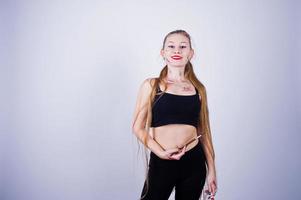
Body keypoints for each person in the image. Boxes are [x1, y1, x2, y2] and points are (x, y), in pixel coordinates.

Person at [132, 29, 217, 200]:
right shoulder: (151, 85)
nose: (177, 51)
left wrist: (212, 171)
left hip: (194, 162)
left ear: (191, 53)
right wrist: (159, 152)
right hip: (162, 160)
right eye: (171, 46)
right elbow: (138, 127)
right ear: (163, 53)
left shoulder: (198, 89)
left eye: (183, 46)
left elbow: (204, 132)